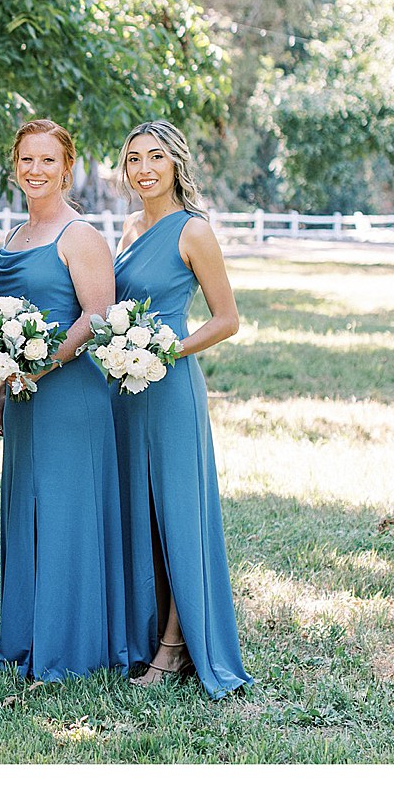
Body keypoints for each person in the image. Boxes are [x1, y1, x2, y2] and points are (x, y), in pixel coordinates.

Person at [111, 119, 252, 697]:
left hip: (169, 387)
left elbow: (227, 319)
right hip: (125, 390)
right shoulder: (125, 227)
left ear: (175, 165)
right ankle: (148, 634)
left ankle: (176, 647)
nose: (144, 169)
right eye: (134, 159)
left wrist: (166, 347)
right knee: (140, 514)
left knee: (177, 511)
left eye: (155, 158)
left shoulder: (193, 231)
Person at [0, 119, 128, 682]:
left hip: (69, 395)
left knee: (67, 513)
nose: (36, 170)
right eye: (26, 159)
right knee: (30, 509)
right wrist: (5, 373)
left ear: (66, 169)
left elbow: (96, 317)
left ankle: (70, 646)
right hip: (24, 396)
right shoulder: (15, 235)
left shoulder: (80, 236)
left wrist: (41, 364)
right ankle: (27, 635)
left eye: (48, 160)